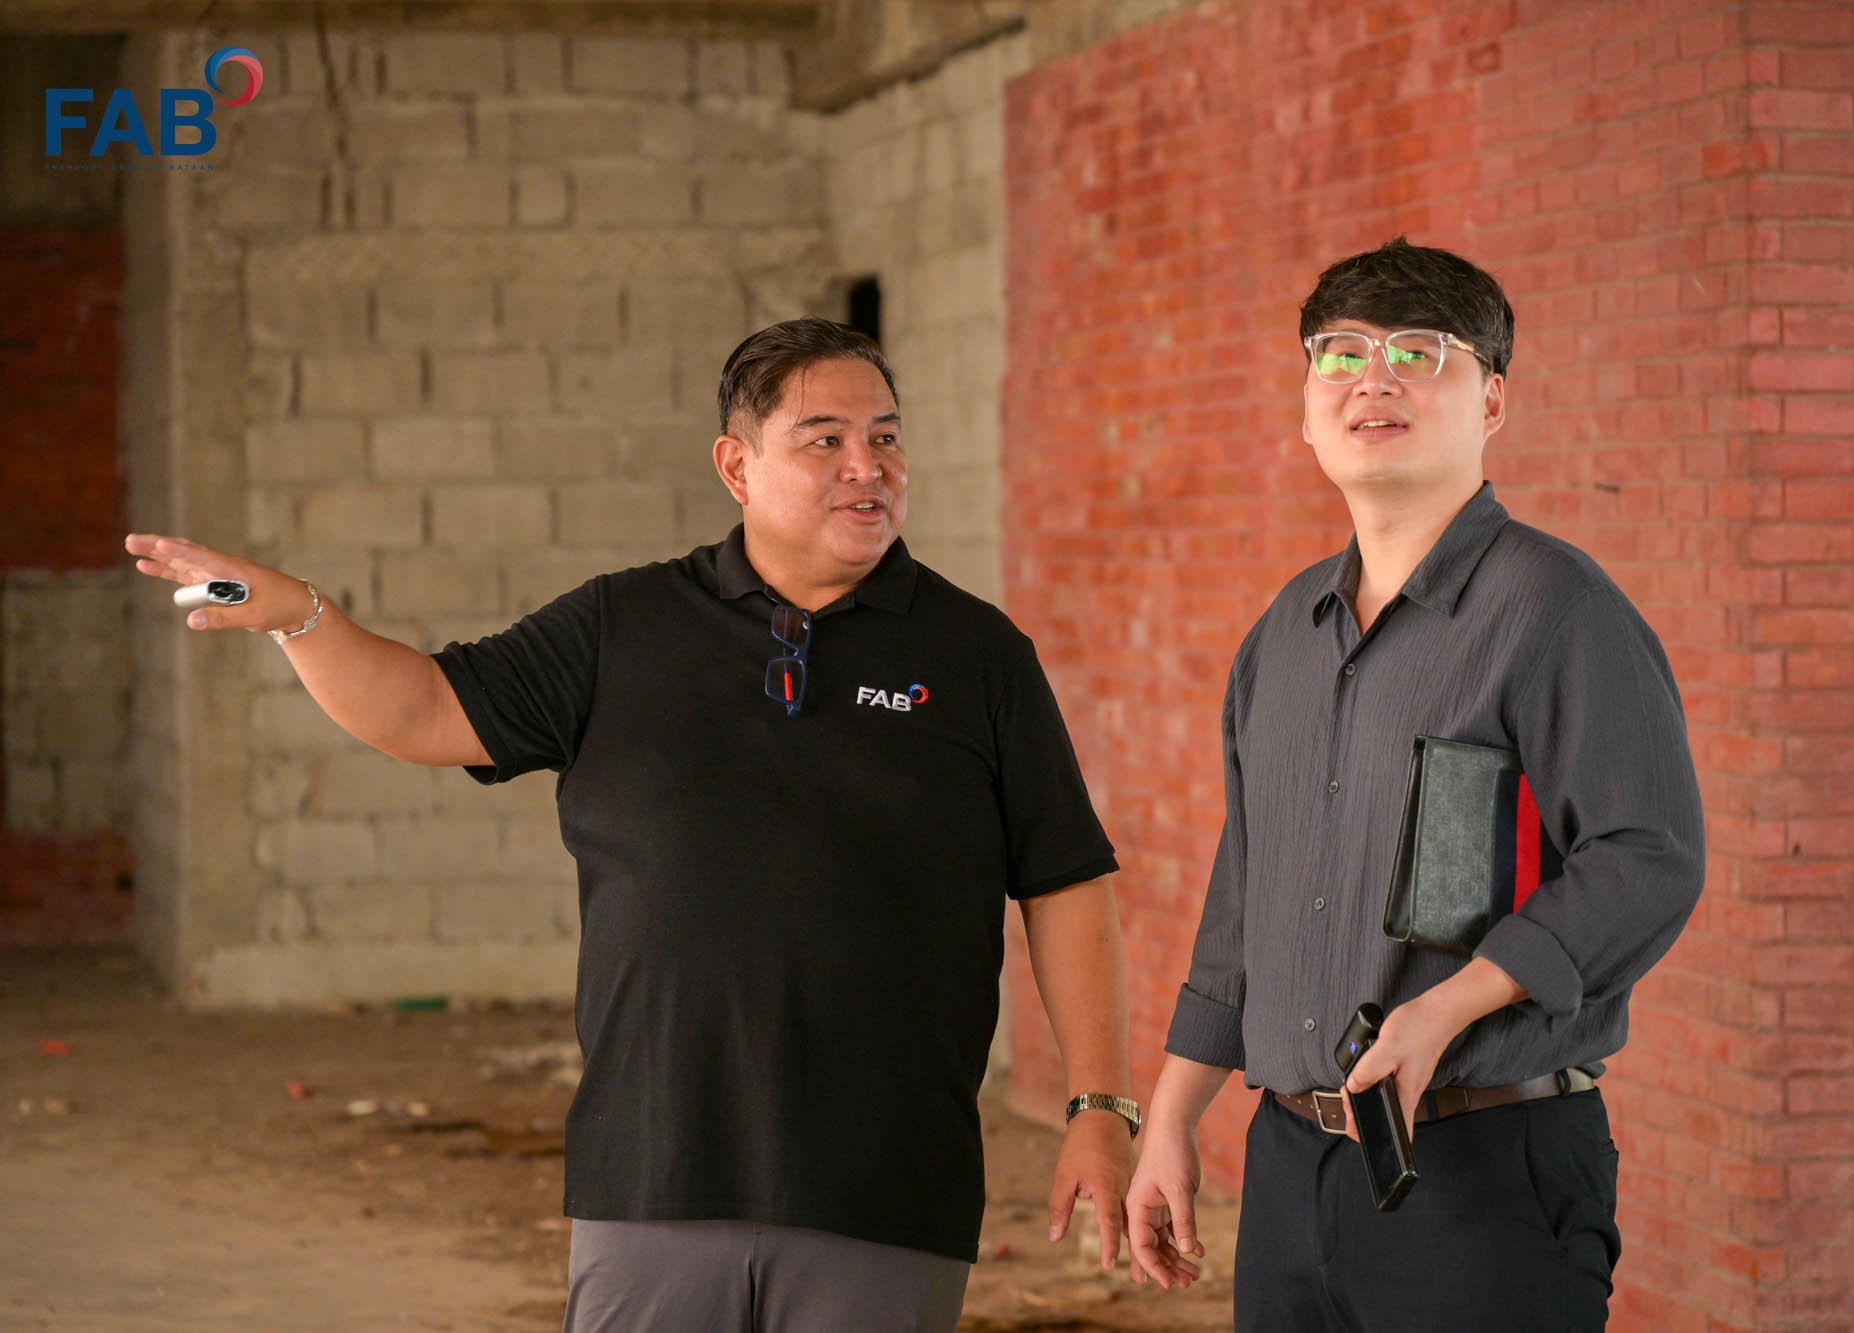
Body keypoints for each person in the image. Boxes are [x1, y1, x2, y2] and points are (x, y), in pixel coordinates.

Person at [128, 317, 1138, 1333]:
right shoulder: (622, 627)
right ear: (735, 467)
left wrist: (1099, 1107)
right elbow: (428, 710)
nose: (866, 465)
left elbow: (1062, 879)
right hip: (652, 1172)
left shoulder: (976, 655)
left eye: (886, 435)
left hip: (883, 1186)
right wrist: (301, 616)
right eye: (823, 439)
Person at [1123, 239, 1706, 1331]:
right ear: (1305, 409)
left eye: (1415, 353)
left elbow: (1646, 857)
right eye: (1336, 355)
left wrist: (1447, 1004)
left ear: (1490, 401)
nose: (1371, 378)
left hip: (1481, 1171)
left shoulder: (1555, 610)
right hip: (1289, 1172)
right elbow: (1241, 898)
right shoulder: (1281, 637)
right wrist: (1170, 1116)